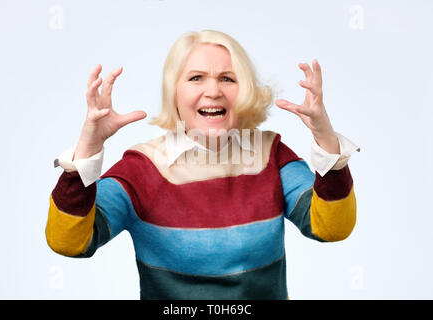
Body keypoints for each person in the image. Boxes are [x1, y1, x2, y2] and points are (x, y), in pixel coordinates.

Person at [46, 30, 360, 300]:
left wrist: (325, 138)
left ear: (244, 91)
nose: (213, 91)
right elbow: (69, 242)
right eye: (196, 78)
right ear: (175, 94)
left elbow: (330, 227)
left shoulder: (271, 154)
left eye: (228, 78)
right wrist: (88, 148)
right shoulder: (142, 168)